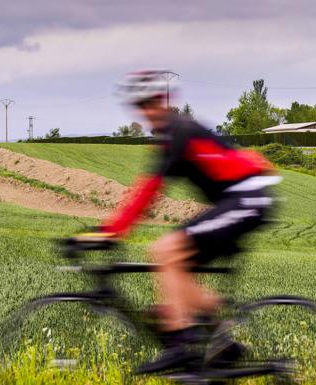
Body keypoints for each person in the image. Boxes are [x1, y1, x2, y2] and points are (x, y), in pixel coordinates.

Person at [77, 70, 280, 374]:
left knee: (165, 250)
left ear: (163, 101)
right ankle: (223, 344)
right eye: (140, 105)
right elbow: (146, 191)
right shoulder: (169, 136)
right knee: (172, 284)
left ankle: (179, 347)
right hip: (236, 201)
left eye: (151, 102)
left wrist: (109, 233)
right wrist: (107, 231)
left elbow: (148, 192)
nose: (147, 110)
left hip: (246, 200)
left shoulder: (179, 131)